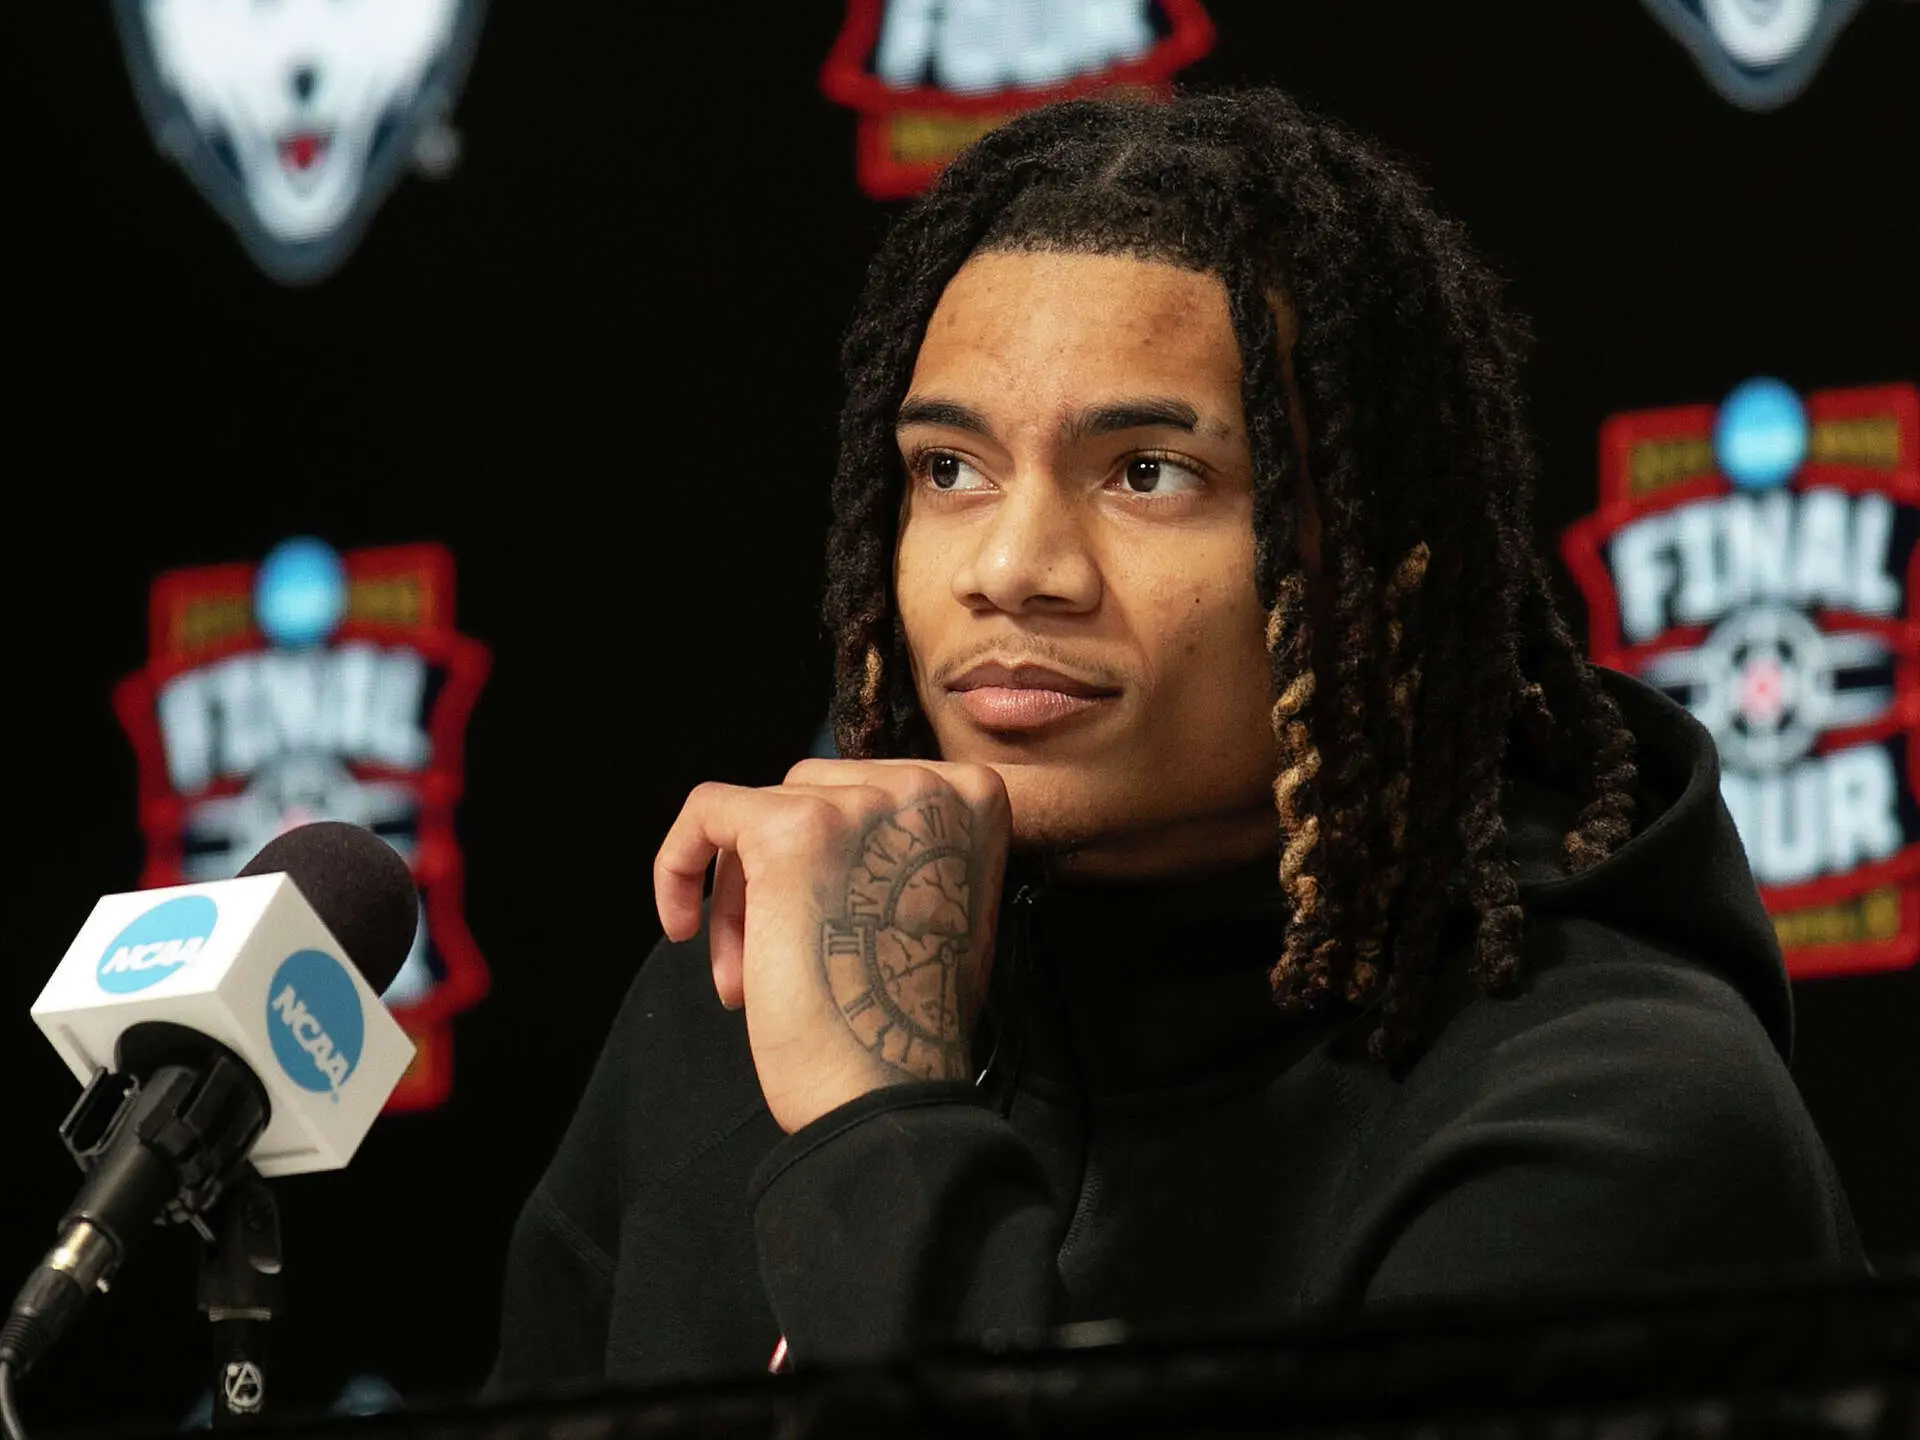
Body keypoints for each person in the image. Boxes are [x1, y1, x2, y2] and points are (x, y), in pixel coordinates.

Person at [486, 88, 1862, 1394]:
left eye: (1148, 474)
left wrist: (879, 1135)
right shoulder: (743, 997)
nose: (1011, 569)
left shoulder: (1617, 1119)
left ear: (1381, 575)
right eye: (950, 470)